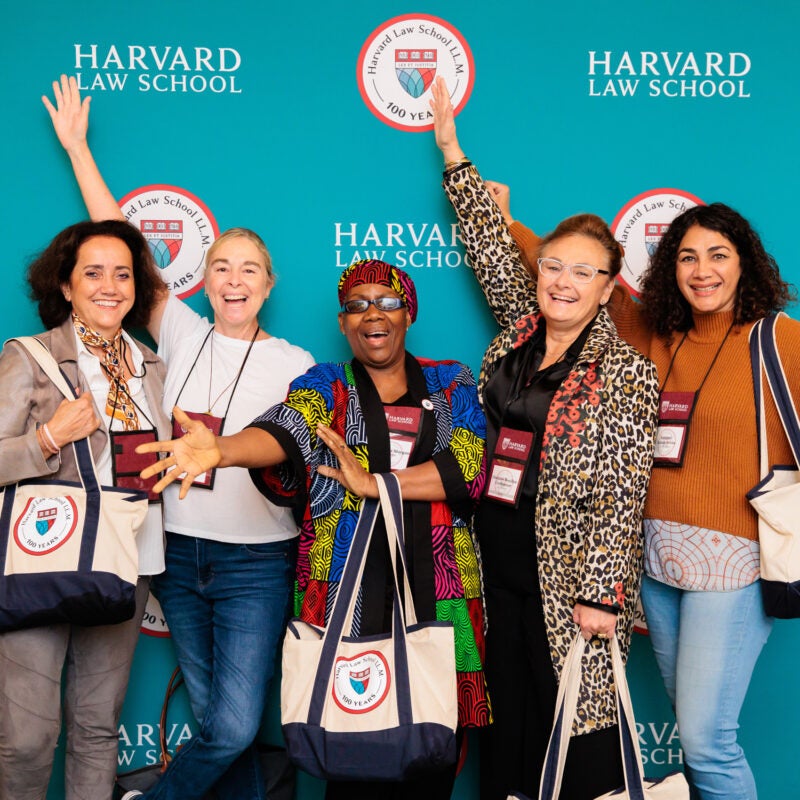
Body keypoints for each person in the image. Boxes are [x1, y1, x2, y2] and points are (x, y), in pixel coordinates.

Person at [43, 75, 315, 800]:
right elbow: (122, 239)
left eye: (248, 269)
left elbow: (307, 452)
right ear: (206, 279)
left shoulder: (297, 365)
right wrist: (77, 150)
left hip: (257, 561)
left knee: (229, 727)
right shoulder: (179, 328)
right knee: (211, 722)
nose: (233, 278)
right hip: (176, 553)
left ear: (268, 284)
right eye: (220, 266)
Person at [136, 258, 491, 800]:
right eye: (356, 306)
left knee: (432, 750)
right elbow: (285, 429)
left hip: (440, 590)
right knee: (348, 749)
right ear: (343, 323)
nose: (373, 314)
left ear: (409, 313)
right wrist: (224, 450)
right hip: (340, 591)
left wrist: (376, 484)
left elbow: (468, 466)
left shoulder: (450, 381)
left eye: (387, 302)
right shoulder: (326, 384)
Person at [500, 175, 800, 800]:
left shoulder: (778, 339)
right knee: (697, 738)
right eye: (687, 256)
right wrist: (507, 221)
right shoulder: (656, 334)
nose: (702, 270)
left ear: (745, 263)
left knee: (706, 741)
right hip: (655, 566)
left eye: (718, 255)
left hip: (732, 563)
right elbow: (571, 274)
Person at [429, 76, 659, 800]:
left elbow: (623, 497)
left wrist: (602, 594)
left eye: (581, 272)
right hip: (495, 551)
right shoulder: (519, 334)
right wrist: (450, 151)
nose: (562, 280)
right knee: (511, 719)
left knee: (577, 731)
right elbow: (491, 249)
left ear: (607, 286)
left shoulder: (626, 373)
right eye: (552, 266)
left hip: (568, 579)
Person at [0, 219, 170, 800]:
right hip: (42, 558)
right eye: (92, 273)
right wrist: (47, 438)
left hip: (131, 559)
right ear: (66, 287)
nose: (109, 285)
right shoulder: (31, 356)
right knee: (26, 737)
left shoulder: (153, 367)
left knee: (98, 728)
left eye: (122, 274)